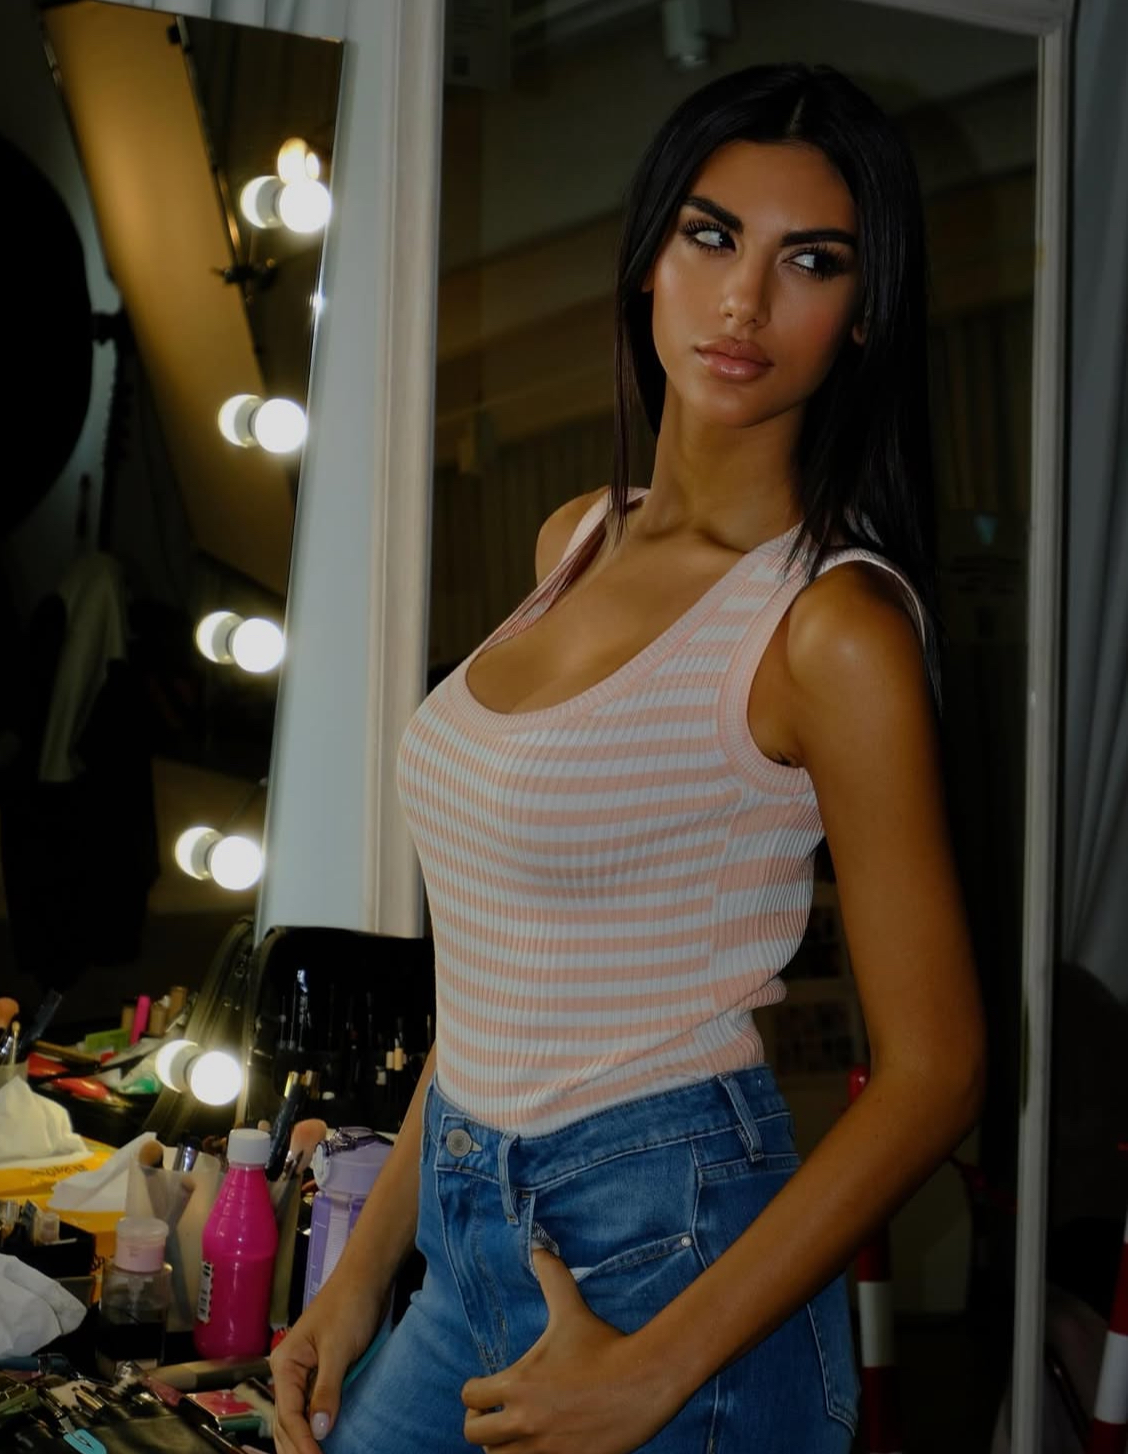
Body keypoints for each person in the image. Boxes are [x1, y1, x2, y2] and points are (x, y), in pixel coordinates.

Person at [271, 61, 986, 1454]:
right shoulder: (578, 535)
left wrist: (657, 1370)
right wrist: (359, 1273)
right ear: (649, 256)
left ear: (862, 314)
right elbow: (500, 985)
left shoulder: (830, 626)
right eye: (711, 236)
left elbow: (939, 1069)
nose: (743, 300)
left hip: (672, 1249)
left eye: (812, 261)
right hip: (474, 1229)